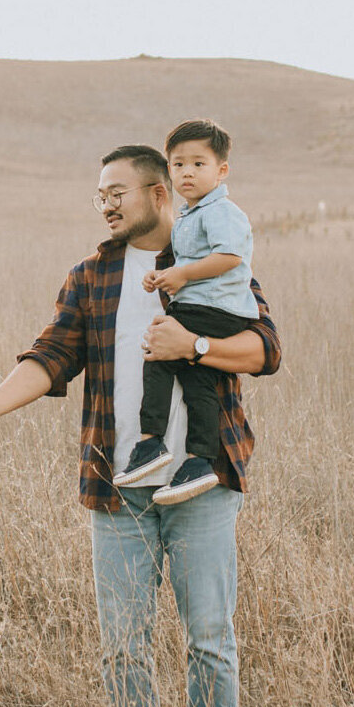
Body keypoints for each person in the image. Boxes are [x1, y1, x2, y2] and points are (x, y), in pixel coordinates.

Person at [0, 145, 280, 707]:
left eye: (116, 190)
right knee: (122, 647)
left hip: (202, 483)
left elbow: (265, 349)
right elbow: (50, 357)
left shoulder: (206, 262)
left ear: (159, 193)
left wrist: (194, 346)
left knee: (208, 640)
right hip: (118, 486)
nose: (103, 203)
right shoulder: (91, 276)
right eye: (97, 193)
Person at [115, 119, 259, 505]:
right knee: (199, 384)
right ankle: (199, 459)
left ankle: (150, 442)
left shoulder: (221, 211)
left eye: (198, 164)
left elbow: (229, 257)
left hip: (215, 308)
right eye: (178, 164)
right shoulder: (192, 215)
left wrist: (179, 274)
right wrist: (164, 277)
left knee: (159, 349)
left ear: (221, 170)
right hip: (207, 305)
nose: (187, 173)